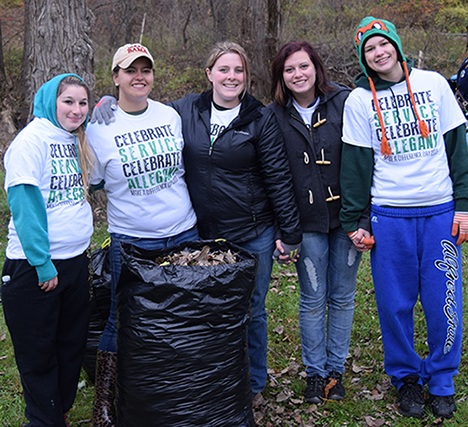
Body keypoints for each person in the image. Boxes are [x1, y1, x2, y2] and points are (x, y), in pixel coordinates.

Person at [92, 41, 302, 398]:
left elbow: (279, 176)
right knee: (161, 313)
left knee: (244, 309)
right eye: (223, 69)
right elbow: (131, 112)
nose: (231, 76)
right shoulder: (184, 110)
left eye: (238, 70)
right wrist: (102, 102)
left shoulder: (257, 117)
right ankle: (122, 397)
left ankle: (249, 384)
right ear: (209, 74)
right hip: (196, 235)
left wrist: (290, 231)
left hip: (244, 233)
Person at [340, 17, 468, 419]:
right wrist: (355, 220)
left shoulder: (434, 84)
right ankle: (407, 377)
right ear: (364, 59)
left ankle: (442, 377)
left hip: (439, 211)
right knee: (394, 303)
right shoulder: (359, 101)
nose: (379, 53)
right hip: (389, 214)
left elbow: (458, 147)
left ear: (395, 44)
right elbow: (356, 166)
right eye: (369, 50)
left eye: (383, 44)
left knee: (443, 298)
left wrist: (464, 204)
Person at [86, 43, 198, 425]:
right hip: (132, 240)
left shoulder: (170, 115)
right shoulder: (98, 128)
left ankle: (177, 390)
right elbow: (93, 181)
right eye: (129, 70)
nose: (139, 76)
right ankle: (104, 403)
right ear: (115, 77)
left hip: (183, 232)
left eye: (145, 69)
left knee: (183, 315)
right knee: (123, 318)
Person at [268, 41, 371, 404]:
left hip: (348, 220)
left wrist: (364, 219)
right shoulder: (274, 115)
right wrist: (286, 230)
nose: (298, 75)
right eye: (289, 69)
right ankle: (314, 373)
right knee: (313, 299)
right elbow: (274, 178)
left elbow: (364, 161)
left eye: (303, 67)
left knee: (342, 297)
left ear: (316, 68)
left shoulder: (345, 102)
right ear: (281, 76)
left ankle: (335, 372)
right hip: (304, 223)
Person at [1, 74, 94, 427]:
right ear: (49, 101)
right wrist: (42, 264)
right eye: (68, 101)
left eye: (82, 102)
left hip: (74, 262)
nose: (76, 109)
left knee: (70, 345)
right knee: (38, 353)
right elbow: (25, 207)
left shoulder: (72, 140)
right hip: (36, 268)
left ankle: (59, 411)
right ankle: (43, 420)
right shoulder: (32, 141)